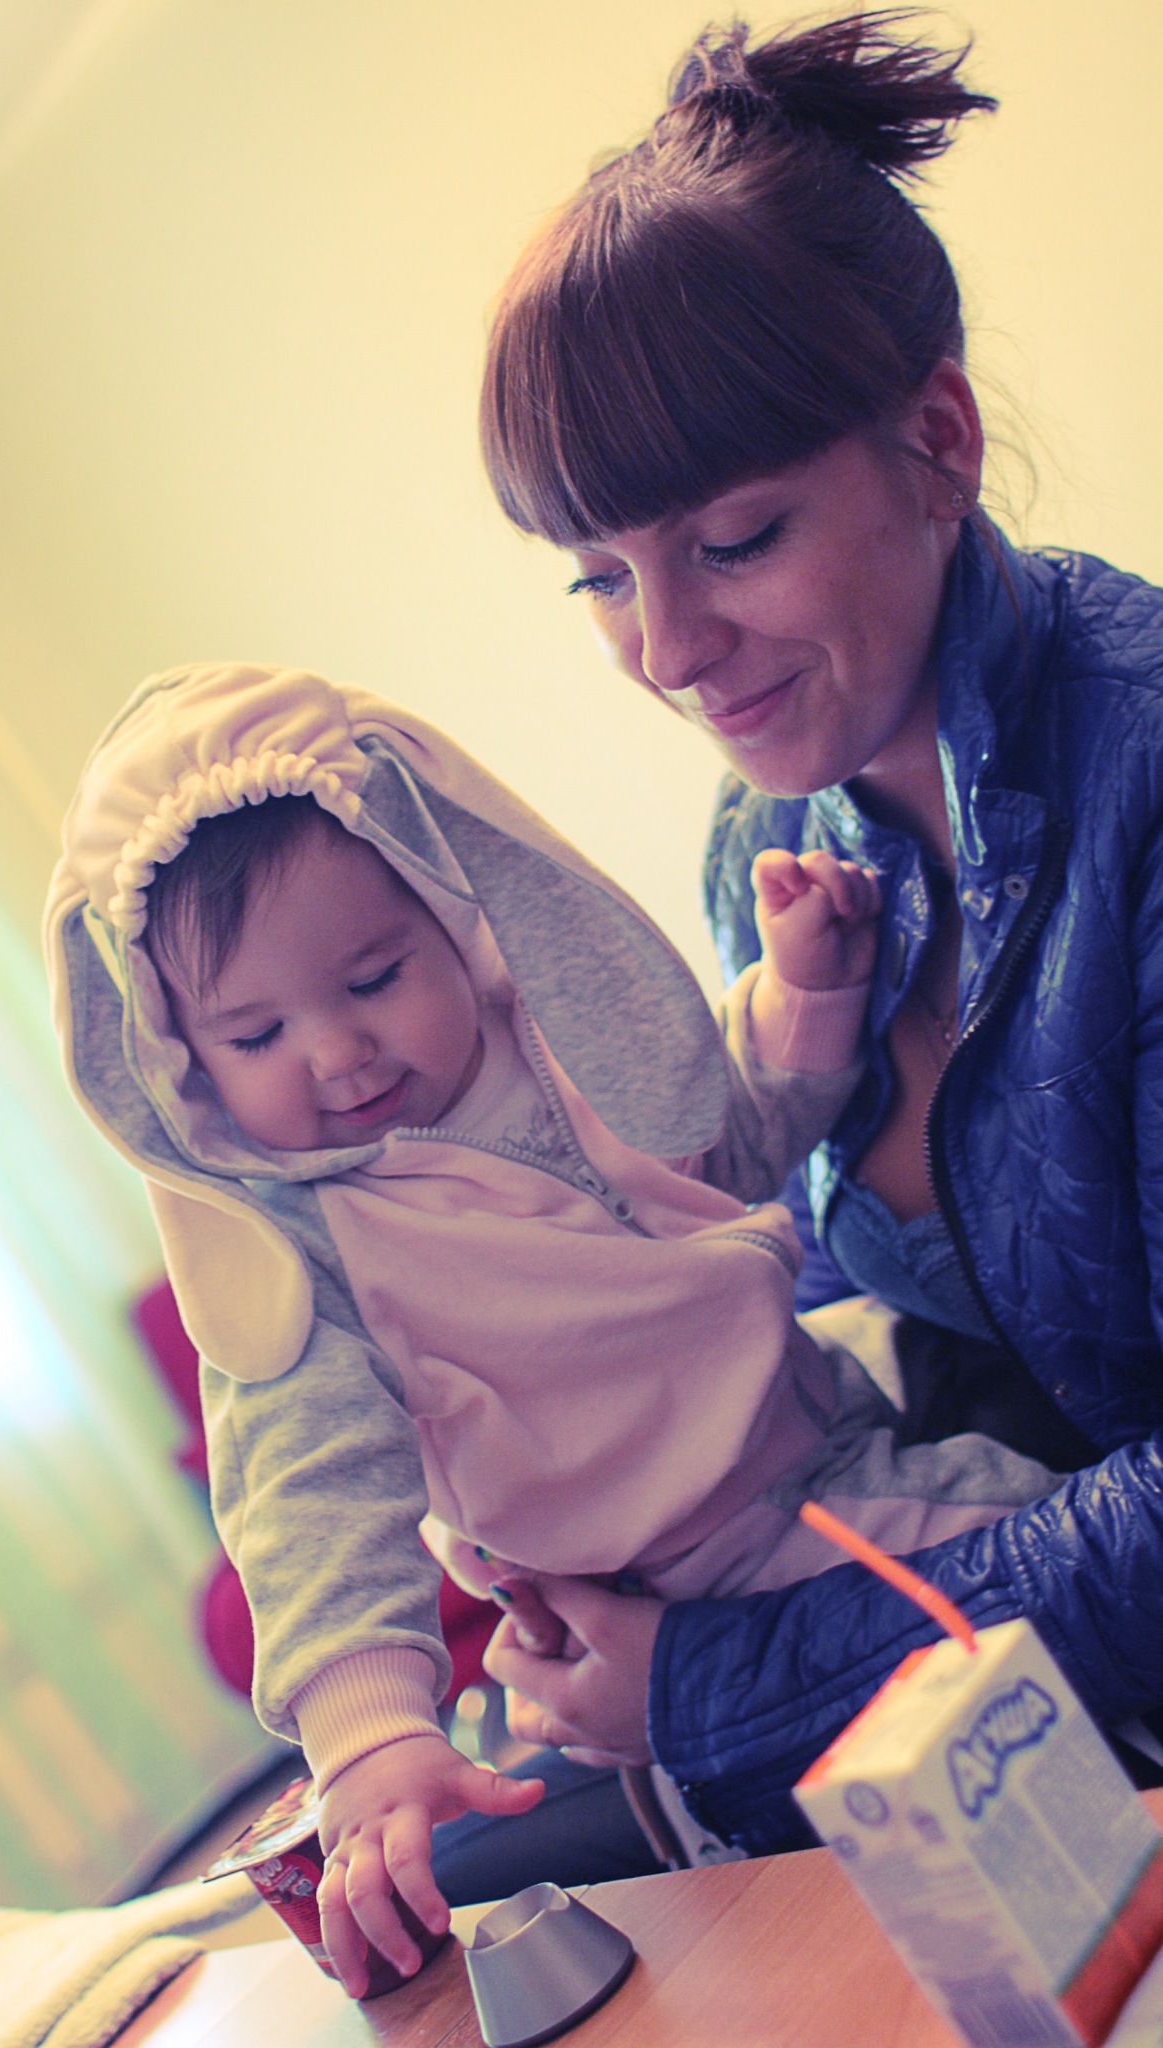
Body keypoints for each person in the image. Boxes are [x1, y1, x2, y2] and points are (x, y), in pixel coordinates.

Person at [47, 661, 1055, 1988]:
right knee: (945, 1677)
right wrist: (370, 1736)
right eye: (256, 1034)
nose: (338, 1052)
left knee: (1033, 1567)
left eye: (373, 977)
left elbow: (724, 1146)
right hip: (662, 1583)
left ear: (450, 914)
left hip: (819, 1460)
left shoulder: (562, 1044)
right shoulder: (307, 1254)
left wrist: (802, 995)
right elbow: (309, 1495)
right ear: (180, 1070)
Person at [468, 9, 1163, 1870]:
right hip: (999, 1609)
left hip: (1086, 1642)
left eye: (732, 540)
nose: (665, 652)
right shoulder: (774, 840)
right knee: (444, 1867)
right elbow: (759, 1264)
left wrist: (712, 1679)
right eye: (599, 576)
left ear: (935, 441)